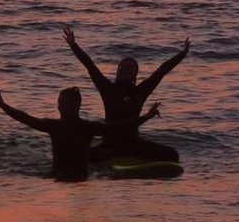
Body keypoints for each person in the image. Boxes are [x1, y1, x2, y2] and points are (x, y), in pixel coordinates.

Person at [63, 27, 186, 162]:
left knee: (172, 154)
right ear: (117, 71)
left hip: (132, 142)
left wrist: (183, 53)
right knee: (79, 156)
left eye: (130, 68)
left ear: (135, 75)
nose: (125, 70)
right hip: (110, 143)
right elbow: (90, 66)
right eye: (123, 67)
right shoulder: (107, 88)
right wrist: (73, 45)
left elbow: (162, 71)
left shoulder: (140, 91)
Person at [0, 87, 161, 182]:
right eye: (59, 104)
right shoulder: (54, 126)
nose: (60, 107)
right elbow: (26, 119)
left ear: (77, 105)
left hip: (80, 178)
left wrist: (145, 117)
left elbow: (116, 127)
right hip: (58, 176)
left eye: (65, 104)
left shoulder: (86, 127)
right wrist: (3, 105)